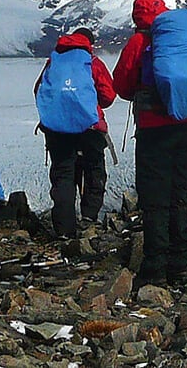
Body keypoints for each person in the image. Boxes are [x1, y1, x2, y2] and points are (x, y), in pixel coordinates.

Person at [113, 0, 187, 286]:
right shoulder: (183, 37)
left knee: (154, 198)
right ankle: (182, 262)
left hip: (154, 129)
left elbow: (122, 84)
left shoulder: (139, 42)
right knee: (179, 195)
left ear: (136, 17)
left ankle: (155, 267)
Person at [34, 28, 117, 239]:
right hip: (90, 129)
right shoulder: (92, 62)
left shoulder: (54, 61)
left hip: (58, 131)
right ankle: (89, 220)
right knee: (94, 172)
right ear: (90, 43)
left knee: (63, 176)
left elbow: (39, 91)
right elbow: (108, 95)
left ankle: (64, 230)